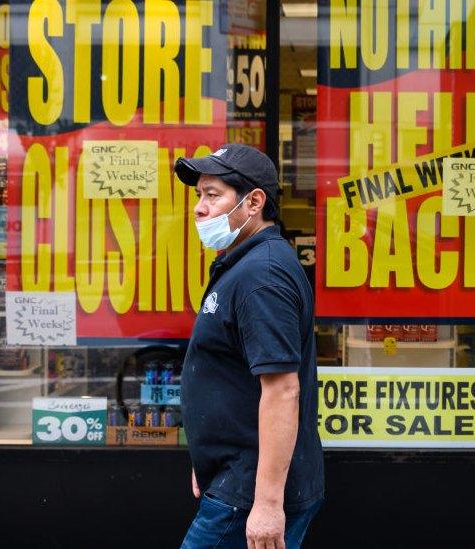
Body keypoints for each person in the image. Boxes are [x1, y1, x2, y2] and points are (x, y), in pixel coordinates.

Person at [175, 144, 324, 549]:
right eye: (198, 195)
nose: (199, 208)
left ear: (254, 201)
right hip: (233, 477)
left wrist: (267, 505)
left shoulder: (263, 276)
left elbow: (282, 390)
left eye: (212, 194)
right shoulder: (246, 263)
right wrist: (207, 458)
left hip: (245, 492)